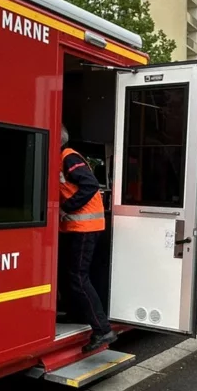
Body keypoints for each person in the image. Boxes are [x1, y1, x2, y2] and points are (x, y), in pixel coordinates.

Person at [59, 126, 115, 348]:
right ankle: (77, 314)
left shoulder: (69, 157)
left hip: (85, 227)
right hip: (78, 227)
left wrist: (67, 207)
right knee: (69, 274)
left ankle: (103, 330)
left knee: (78, 277)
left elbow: (90, 185)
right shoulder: (63, 158)